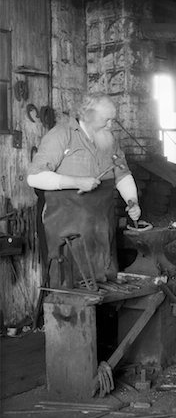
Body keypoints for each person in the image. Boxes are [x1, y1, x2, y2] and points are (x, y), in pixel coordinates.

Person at [27, 92, 141, 286]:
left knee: (105, 279)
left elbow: (122, 174)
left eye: (112, 120)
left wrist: (133, 201)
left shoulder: (108, 140)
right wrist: (76, 181)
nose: (110, 125)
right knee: (68, 281)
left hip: (100, 224)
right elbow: (34, 177)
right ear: (88, 115)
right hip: (66, 223)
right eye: (106, 120)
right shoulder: (61, 135)